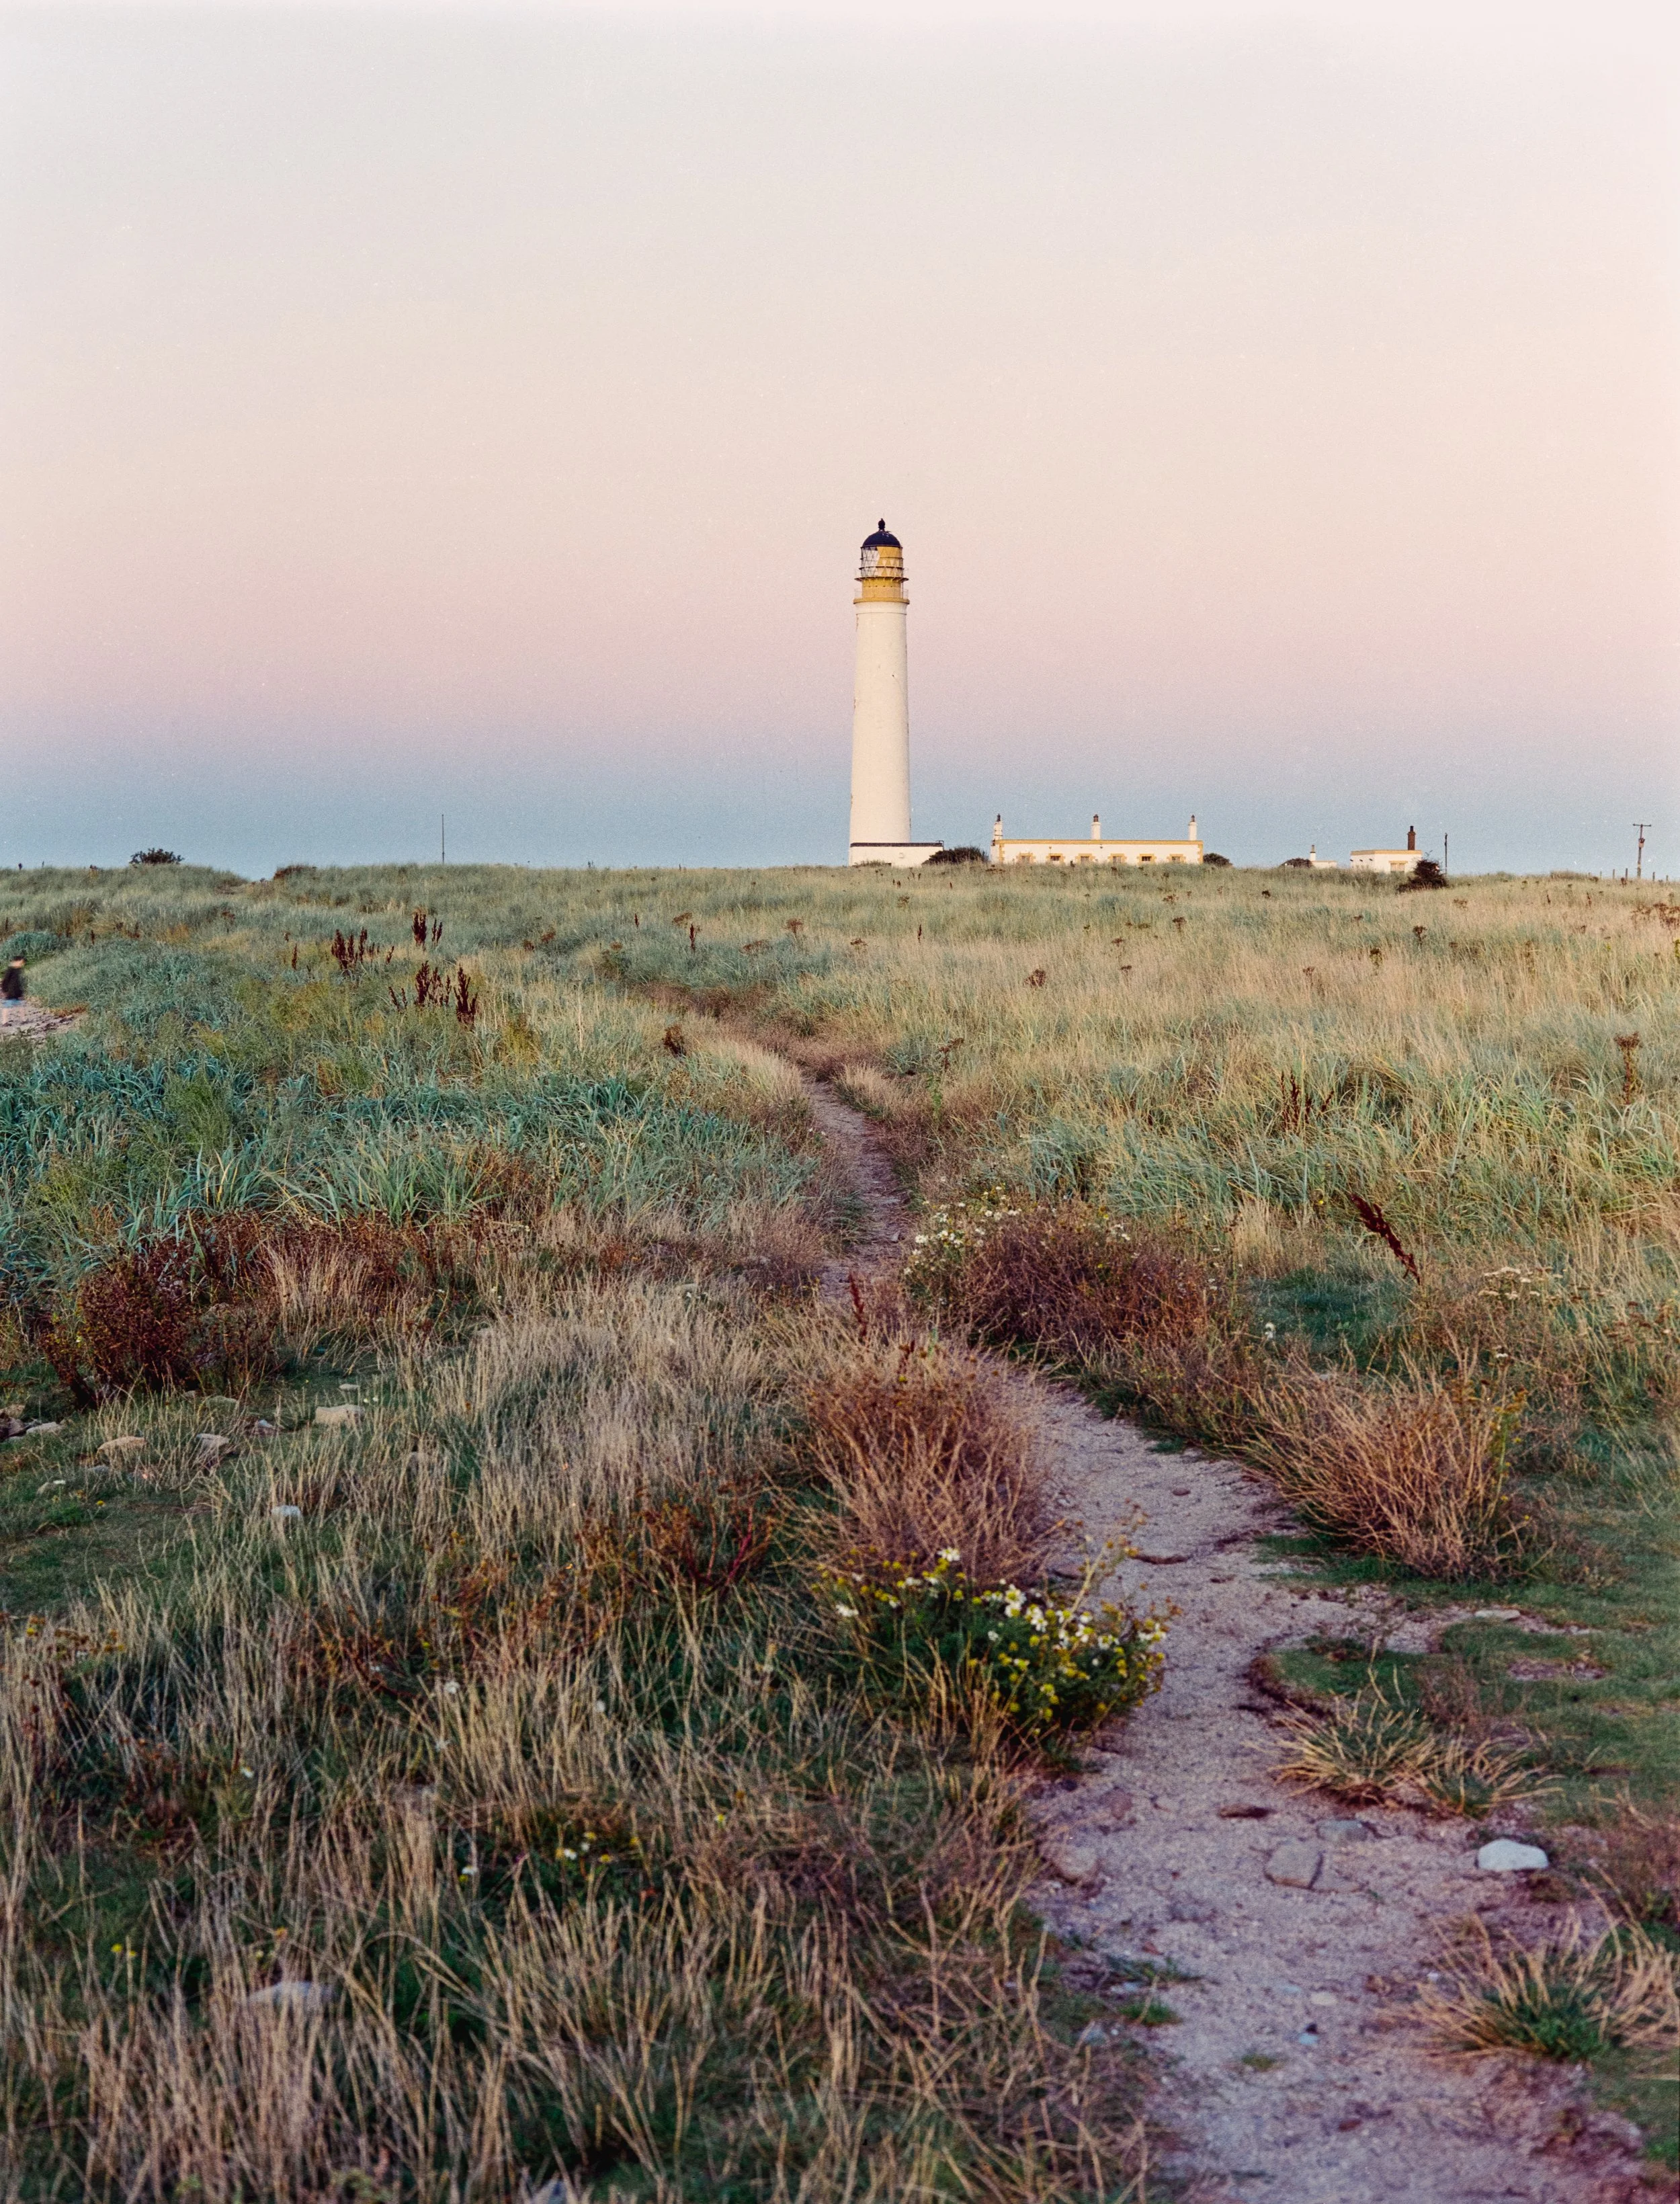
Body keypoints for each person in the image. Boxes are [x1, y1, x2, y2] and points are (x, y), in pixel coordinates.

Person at [1, 955, 24, 1029]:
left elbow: (19, 982)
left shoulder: (18, 970)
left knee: (21, 1005)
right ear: (16, 961)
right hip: (10, 992)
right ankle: (4, 1022)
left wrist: (21, 991)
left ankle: (24, 1020)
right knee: (7, 1007)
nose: (22, 964)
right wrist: (5, 990)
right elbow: (5, 981)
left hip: (17, 992)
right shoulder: (10, 970)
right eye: (21, 962)